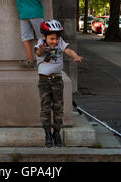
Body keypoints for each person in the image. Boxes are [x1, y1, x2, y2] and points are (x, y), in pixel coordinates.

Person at [34, 19, 83, 148]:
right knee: (45, 108)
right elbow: (38, 53)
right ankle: (47, 134)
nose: (55, 41)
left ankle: (56, 133)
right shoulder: (40, 44)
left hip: (57, 80)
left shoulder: (60, 42)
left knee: (58, 108)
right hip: (44, 80)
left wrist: (75, 56)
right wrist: (41, 50)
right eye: (52, 39)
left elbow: (68, 50)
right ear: (44, 37)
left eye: (56, 38)